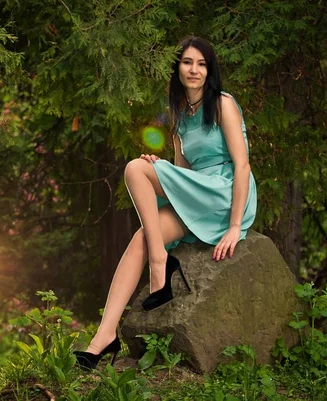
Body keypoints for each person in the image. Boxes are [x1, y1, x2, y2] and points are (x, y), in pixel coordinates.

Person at [73, 36, 257, 370]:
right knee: (141, 236)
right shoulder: (179, 115)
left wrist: (234, 226)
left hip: (225, 191)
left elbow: (242, 164)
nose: (194, 70)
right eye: (188, 62)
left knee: (133, 169)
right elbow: (185, 174)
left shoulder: (223, 103)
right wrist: (161, 168)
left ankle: (160, 263)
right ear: (177, 67)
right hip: (199, 192)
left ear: (210, 70)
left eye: (202, 64)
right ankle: (104, 337)